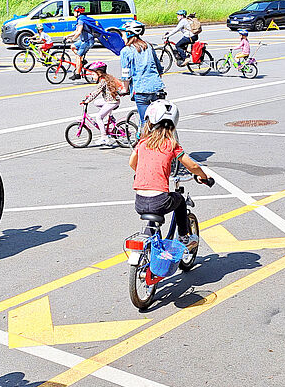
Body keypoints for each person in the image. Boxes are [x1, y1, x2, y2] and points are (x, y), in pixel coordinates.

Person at [129, 99, 211, 251]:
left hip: (139, 202)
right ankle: (184, 237)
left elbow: (132, 162)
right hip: (159, 200)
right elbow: (192, 165)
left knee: (153, 214)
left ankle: (150, 241)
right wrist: (204, 177)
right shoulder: (171, 144)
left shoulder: (143, 142)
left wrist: (141, 174)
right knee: (179, 200)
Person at [117, 20, 165, 127]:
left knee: (145, 123)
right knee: (158, 119)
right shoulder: (148, 46)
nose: (122, 37)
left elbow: (126, 74)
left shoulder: (126, 50)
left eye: (123, 34)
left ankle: (146, 142)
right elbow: (159, 68)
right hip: (157, 88)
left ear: (129, 34)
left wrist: (125, 89)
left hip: (141, 90)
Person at [80, 61, 122, 147]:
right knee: (97, 103)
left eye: (93, 74)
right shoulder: (106, 78)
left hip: (111, 102)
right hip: (111, 100)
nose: (92, 76)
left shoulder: (103, 81)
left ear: (99, 73)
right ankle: (109, 117)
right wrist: (90, 98)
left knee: (98, 117)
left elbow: (96, 92)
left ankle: (104, 137)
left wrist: (87, 101)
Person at [64, 6, 95, 80]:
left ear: (78, 12)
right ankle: (81, 61)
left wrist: (72, 39)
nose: (73, 13)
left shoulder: (81, 20)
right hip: (83, 40)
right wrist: (67, 36)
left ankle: (77, 74)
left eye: (74, 11)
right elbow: (76, 31)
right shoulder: (80, 19)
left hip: (87, 41)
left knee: (78, 56)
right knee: (73, 46)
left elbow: (79, 32)